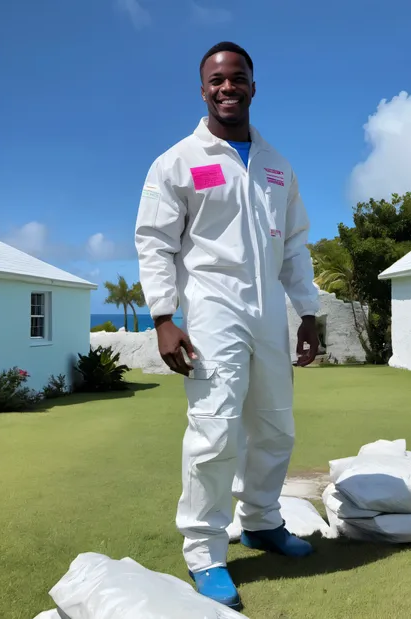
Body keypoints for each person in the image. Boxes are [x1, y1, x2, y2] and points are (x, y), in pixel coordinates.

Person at [135, 41, 320, 610]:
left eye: (237, 77)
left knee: (275, 427)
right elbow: (155, 242)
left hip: (268, 311)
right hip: (212, 309)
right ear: (203, 90)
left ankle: (262, 522)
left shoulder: (276, 166)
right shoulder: (178, 162)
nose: (227, 87)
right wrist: (164, 317)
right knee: (214, 431)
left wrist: (307, 312)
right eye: (216, 80)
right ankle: (205, 553)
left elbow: (293, 246)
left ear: (253, 85)